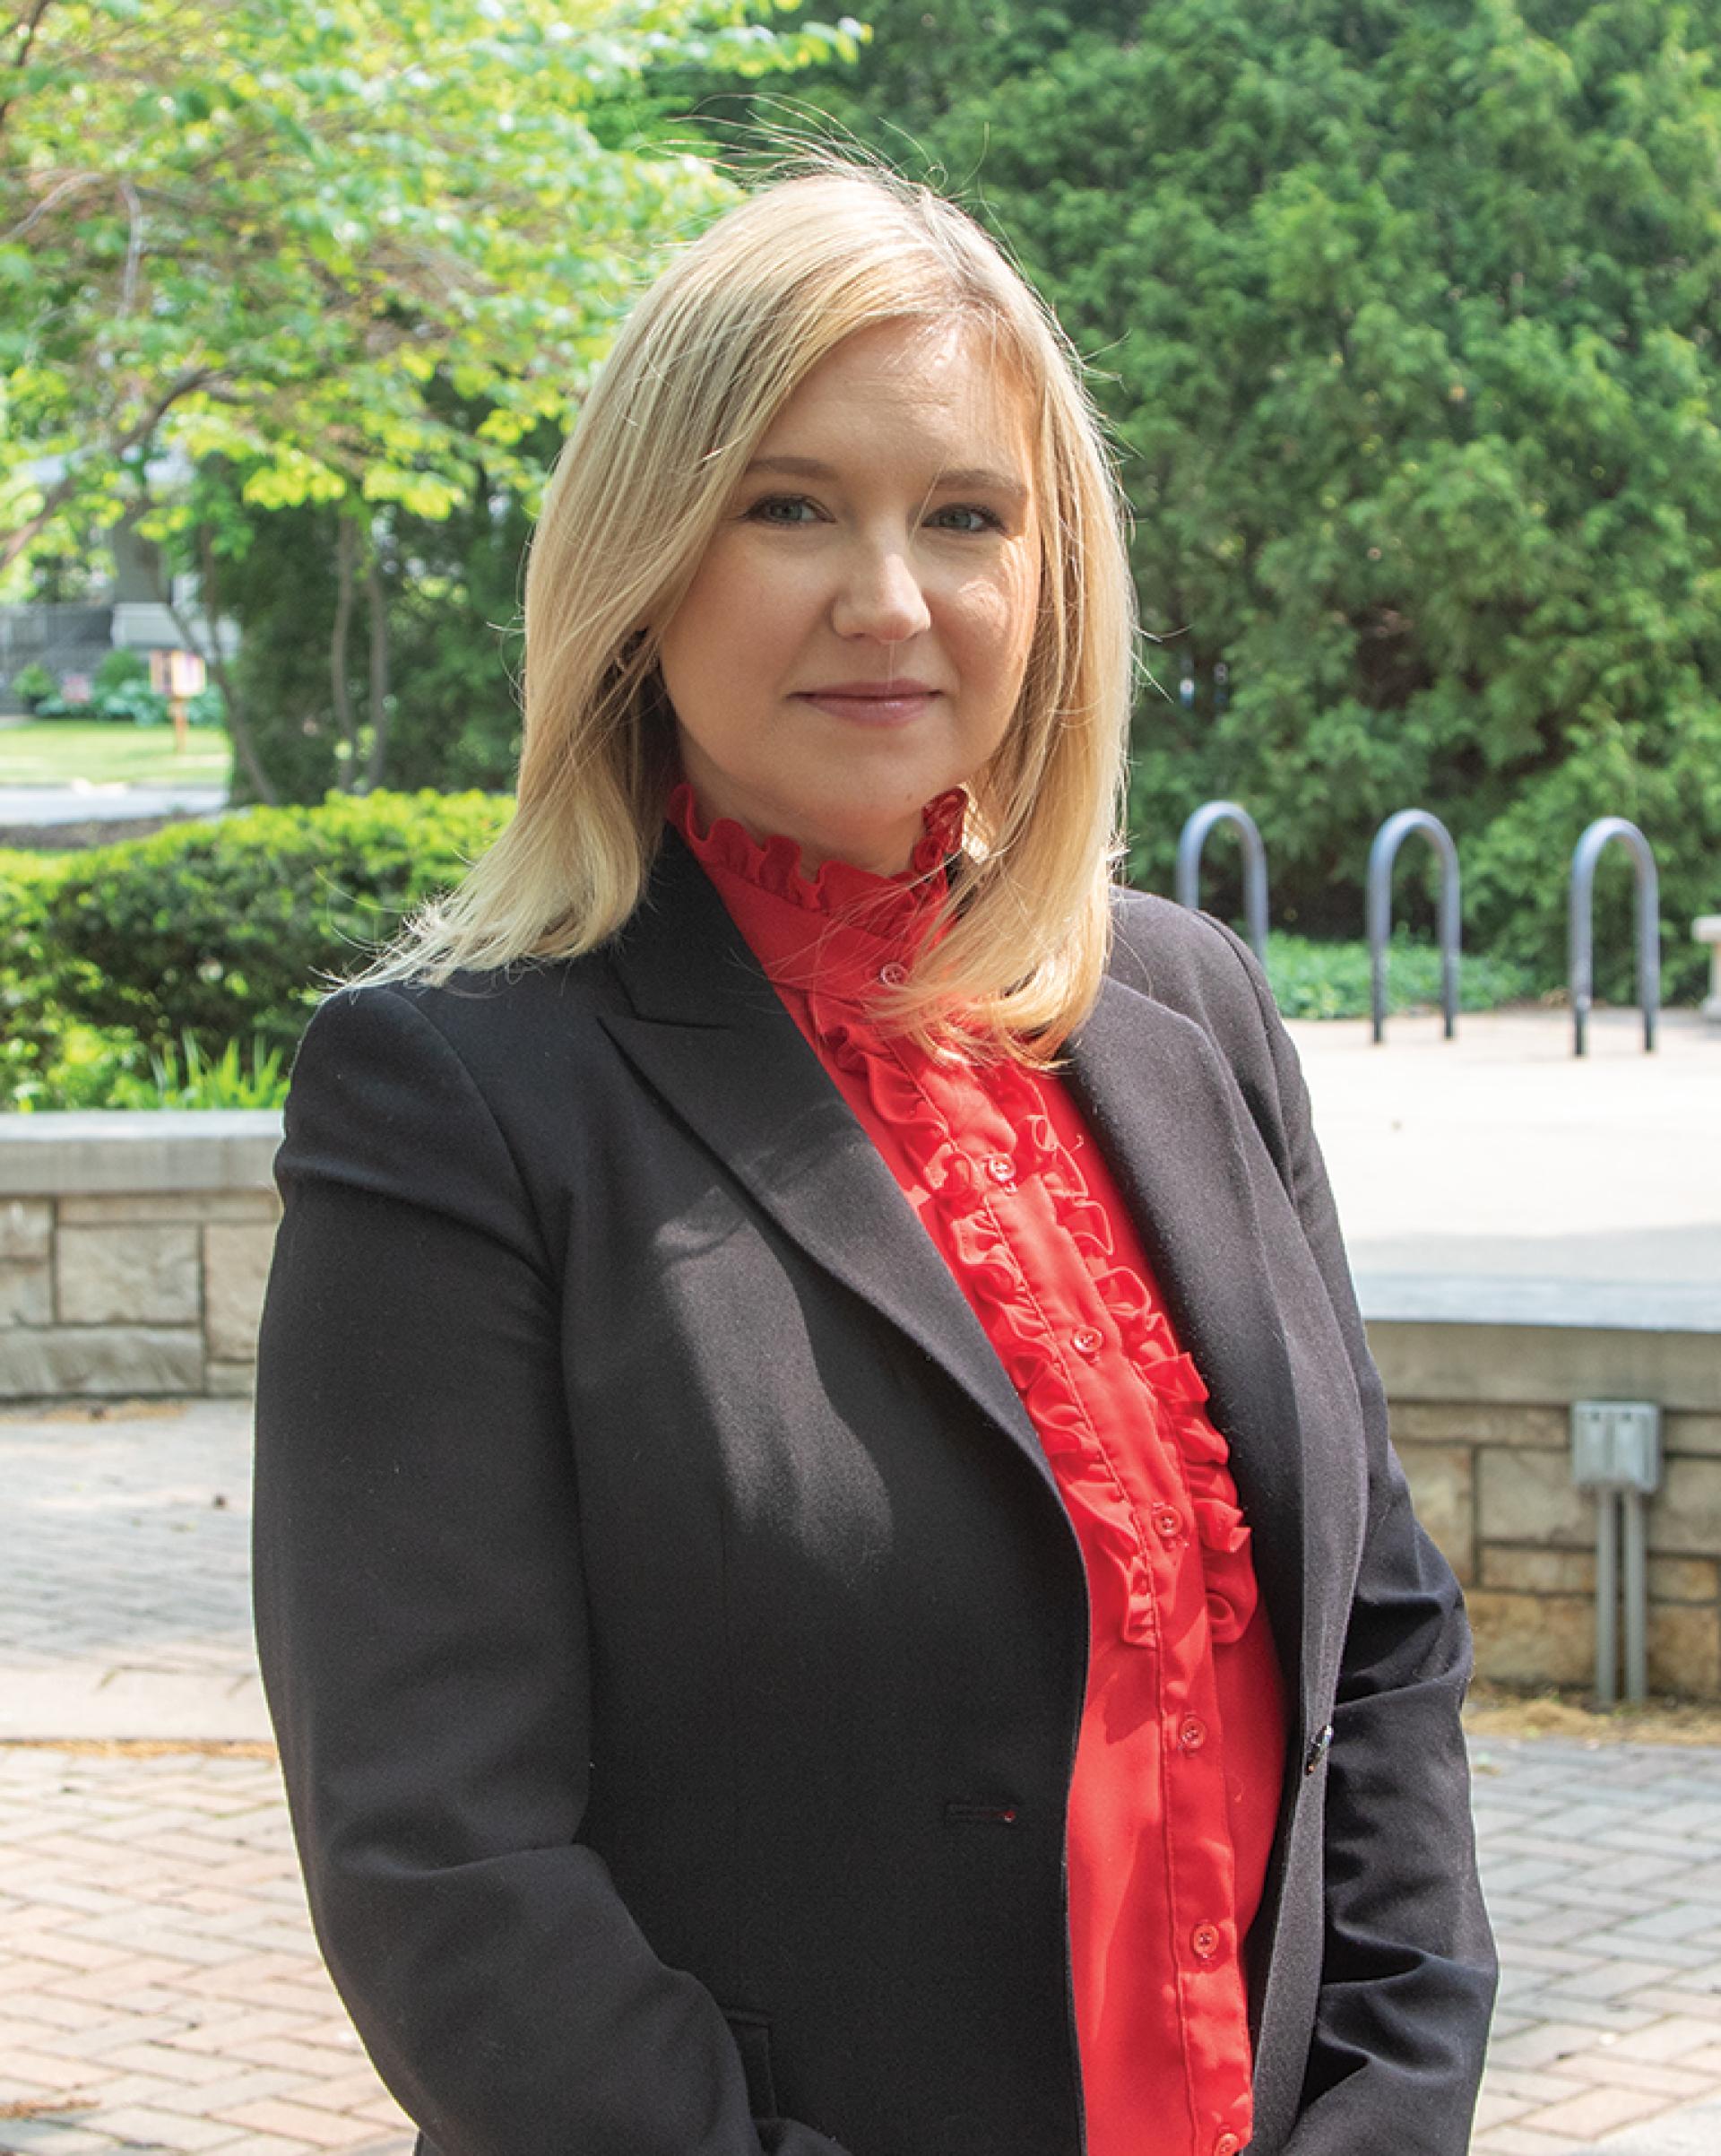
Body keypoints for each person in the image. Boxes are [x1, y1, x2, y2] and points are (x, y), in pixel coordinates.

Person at [253, 165, 1495, 2156]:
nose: (890, 601)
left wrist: (1393, 2105)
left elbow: (1384, 1644)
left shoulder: (1195, 1016)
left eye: (966, 517)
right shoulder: (457, 1096)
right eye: (791, 505)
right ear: (649, 557)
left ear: (1052, 575)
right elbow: (442, 1874)